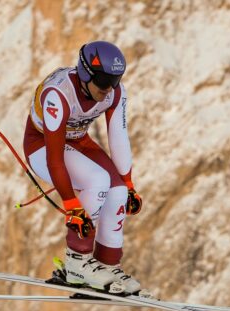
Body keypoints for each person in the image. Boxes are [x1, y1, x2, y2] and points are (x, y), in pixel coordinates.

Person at [23, 41, 143, 293]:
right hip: (42, 146)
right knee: (97, 180)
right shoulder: (59, 94)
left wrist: (129, 182)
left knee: (118, 191)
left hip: (78, 141)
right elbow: (54, 156)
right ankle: (76, 262)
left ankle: (107, 264)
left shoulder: (114, 92)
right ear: (86, 73)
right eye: (102, 81)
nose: (107, 89)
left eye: (115, 80)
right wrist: (71, 205)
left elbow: (118, 136)